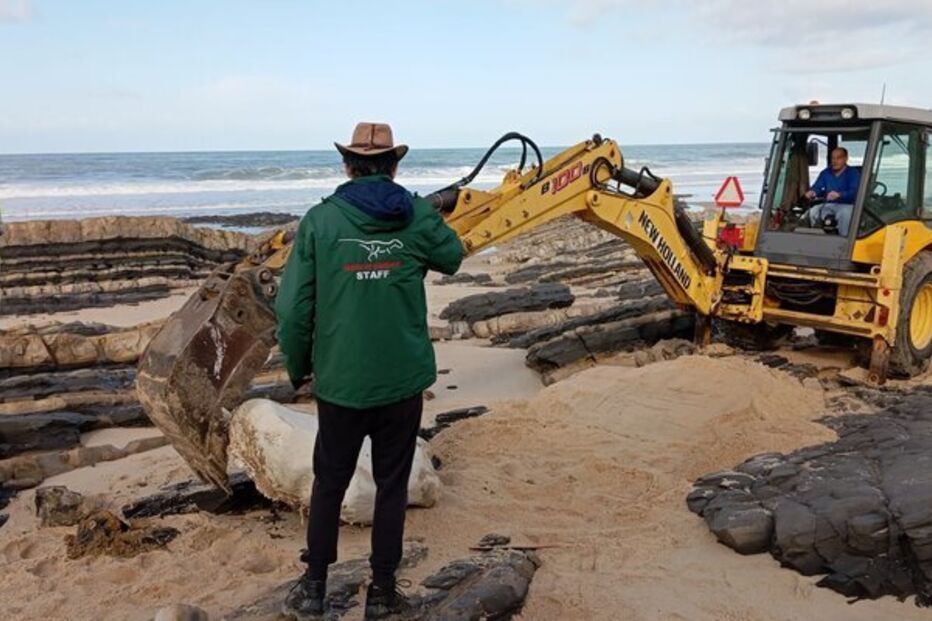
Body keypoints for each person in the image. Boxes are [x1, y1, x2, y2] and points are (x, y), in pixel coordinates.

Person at [275, 122, 464, 619]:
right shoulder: (418, 215)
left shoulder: (320, 221)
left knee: (329, 482)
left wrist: (299, 368)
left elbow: (293, 308)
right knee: (391, 486)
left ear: (347, 165)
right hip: (401, 381)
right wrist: (429, 215)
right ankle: (381, 594)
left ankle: (313, 588)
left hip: (340, 381)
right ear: (395, 166)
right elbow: (453, 256)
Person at [805, 147, 861, 234]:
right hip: (829, 204)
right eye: (833, 158)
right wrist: (812, 192)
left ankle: (843, 239)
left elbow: (855, 192)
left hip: (848, 205)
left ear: (845, 159)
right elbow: (817, 187)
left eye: (838, 158)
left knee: (844, 214)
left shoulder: (853, 173)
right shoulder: (825, 173)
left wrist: (839, 195)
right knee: (812, 212)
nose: (835, 161)